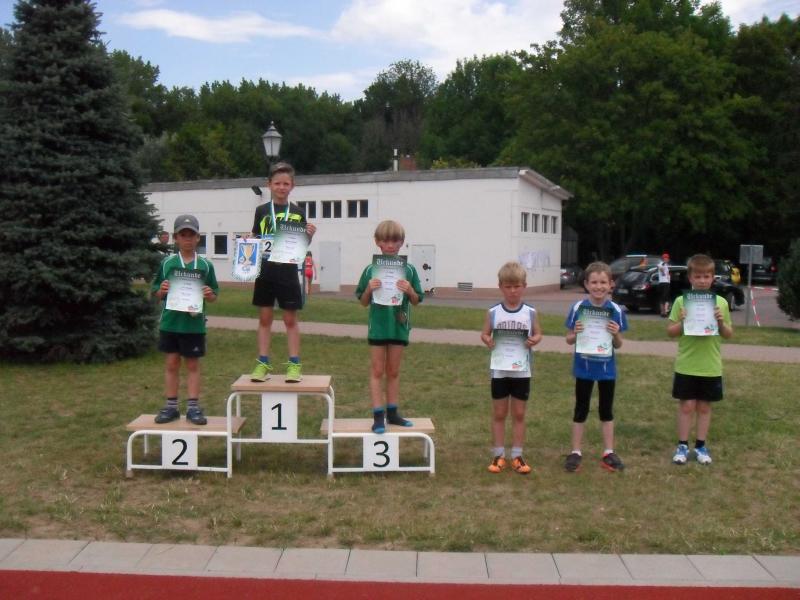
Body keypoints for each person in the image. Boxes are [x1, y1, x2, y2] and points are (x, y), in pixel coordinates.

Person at [250, 162, 316, 383]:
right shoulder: (261, 211)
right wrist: (248, 241)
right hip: (265, 271)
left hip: (287, 272)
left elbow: (301, 246)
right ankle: (262, 362)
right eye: (277, 183)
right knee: (265, 317)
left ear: (292, 186)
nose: (281, 187)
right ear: (269, 184)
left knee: (290, 319)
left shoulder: (297, 212)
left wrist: (309, 235)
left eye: (286, 184)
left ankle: (294, 364)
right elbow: (255, 237)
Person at [355, 220, 423, 433]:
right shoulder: (370, 270)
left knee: (393, 371)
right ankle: (378, 416)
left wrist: (410, 290)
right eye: (386, 241)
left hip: (398, 326)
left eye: (395, 240)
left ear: (402, 242)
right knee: (377, 370)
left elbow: (417, 300)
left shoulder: (409, 270)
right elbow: (363, 301)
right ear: (378, 242)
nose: (391, 245)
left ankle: (392, 413)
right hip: (378, 327)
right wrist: (369, 289)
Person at [151, 214, 219, 425]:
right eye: (183, 235)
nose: (188, 239)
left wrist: (209, 294)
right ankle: (171, 407)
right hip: (170, 323)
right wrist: (162, 291)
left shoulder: (205, 265)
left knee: (192, 365)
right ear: (176, 238)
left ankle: (193, 408)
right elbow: (155, 292)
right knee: (172, 363)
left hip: (194, 325)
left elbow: (214, 294)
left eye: (192, 235)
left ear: (198, 238)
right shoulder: (167, 263)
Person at [667, 254, 733, 465]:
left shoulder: (721, 303)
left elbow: (728, 334)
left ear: (713, 278)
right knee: (686, 406)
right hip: (687, 364)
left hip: (710, 365)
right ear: (690, 278)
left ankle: (701, 446)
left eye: (706, 276)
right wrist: (683, 322)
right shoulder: (681, 302)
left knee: (704, 407)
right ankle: (682, 446)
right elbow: (670, 331)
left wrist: (720, 323)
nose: (702, 280)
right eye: (698, 276)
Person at [564, 261, 628, 472]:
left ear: (610, 284)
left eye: (603, 282)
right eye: (594, 282)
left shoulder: (615, 310)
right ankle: (575, 452)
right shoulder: (578, 308)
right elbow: (568, 339)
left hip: (606, 370)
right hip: (584, 368)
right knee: (580, 408)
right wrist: (576, 333)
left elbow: (618, 345)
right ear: (586, 284)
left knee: (606, 410)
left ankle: (608, 452)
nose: (598, 287)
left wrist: (615, 334)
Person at [480, 262, 543, 475]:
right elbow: (484, 333)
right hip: (500, 371)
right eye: (508, 286)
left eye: (517, 286)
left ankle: (517, 455)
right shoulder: (493, 312)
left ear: (524, 286)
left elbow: (538, 333)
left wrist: (534, 340)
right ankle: (499, 455)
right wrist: (488, 340)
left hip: (522, 371)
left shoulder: (530, 312)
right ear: (501, 287)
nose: (513, 291)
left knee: (519, 413)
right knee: (499, 413)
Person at [657, 252, 671, 317]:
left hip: (666, 282)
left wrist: (668, 277)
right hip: (664, 283)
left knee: (665, 298)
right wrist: (663, 271)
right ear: (663, 258)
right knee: (663, 298)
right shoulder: (662, 264)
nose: (667, 259)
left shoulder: (667, 265)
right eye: (665, 258)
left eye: (667, 258)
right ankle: (663, 312)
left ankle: (664, 312)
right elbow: (660, 268)